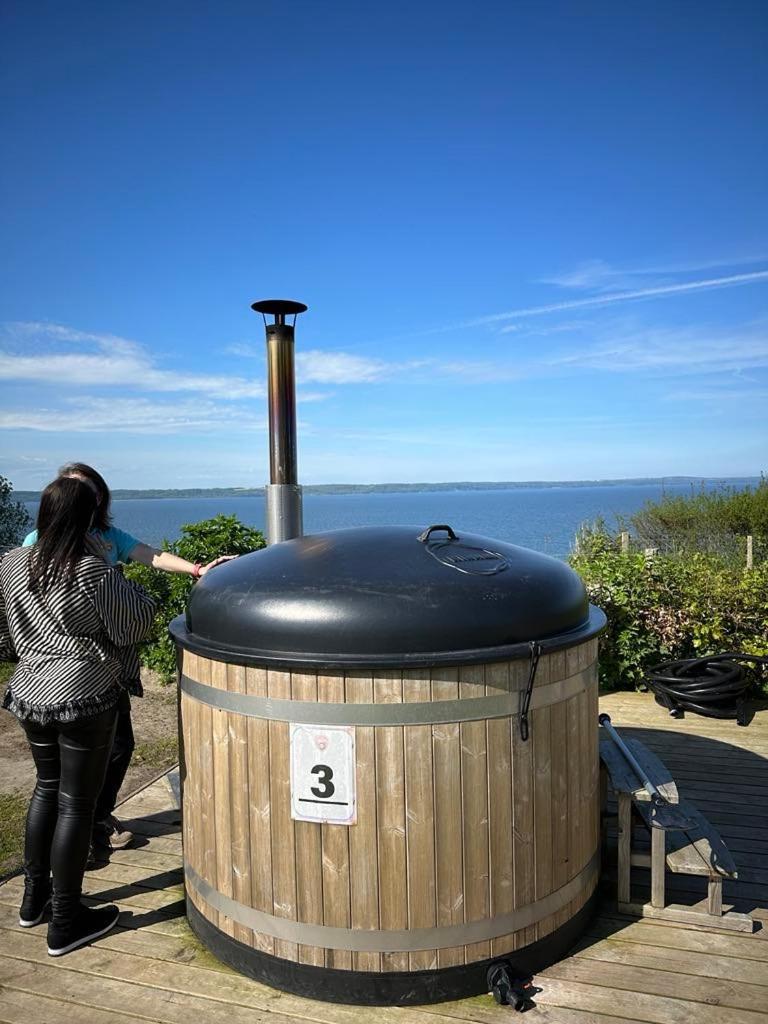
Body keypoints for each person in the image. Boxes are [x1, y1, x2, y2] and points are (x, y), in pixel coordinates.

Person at [23, 462, 233, 856]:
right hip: (73, 668)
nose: (86, 496)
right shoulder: (44, 544)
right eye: (75, 489)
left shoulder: (106, 537)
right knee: (67, 776)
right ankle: (79, 838)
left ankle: (91, 824)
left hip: (104, 666)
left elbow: (150, 555)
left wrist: (197, 569)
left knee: (116, 748)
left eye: (89, 489)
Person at [0, 476, 156, 955]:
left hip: (30, 691)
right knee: (76, 805)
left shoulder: (10, 562)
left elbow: (5, 631)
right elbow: (134, 624)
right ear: (89, 517)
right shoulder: (90, 569)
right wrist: (131, 589)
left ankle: (34, 901)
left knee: (46, 790)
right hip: (84, 693)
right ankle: (67, 920)